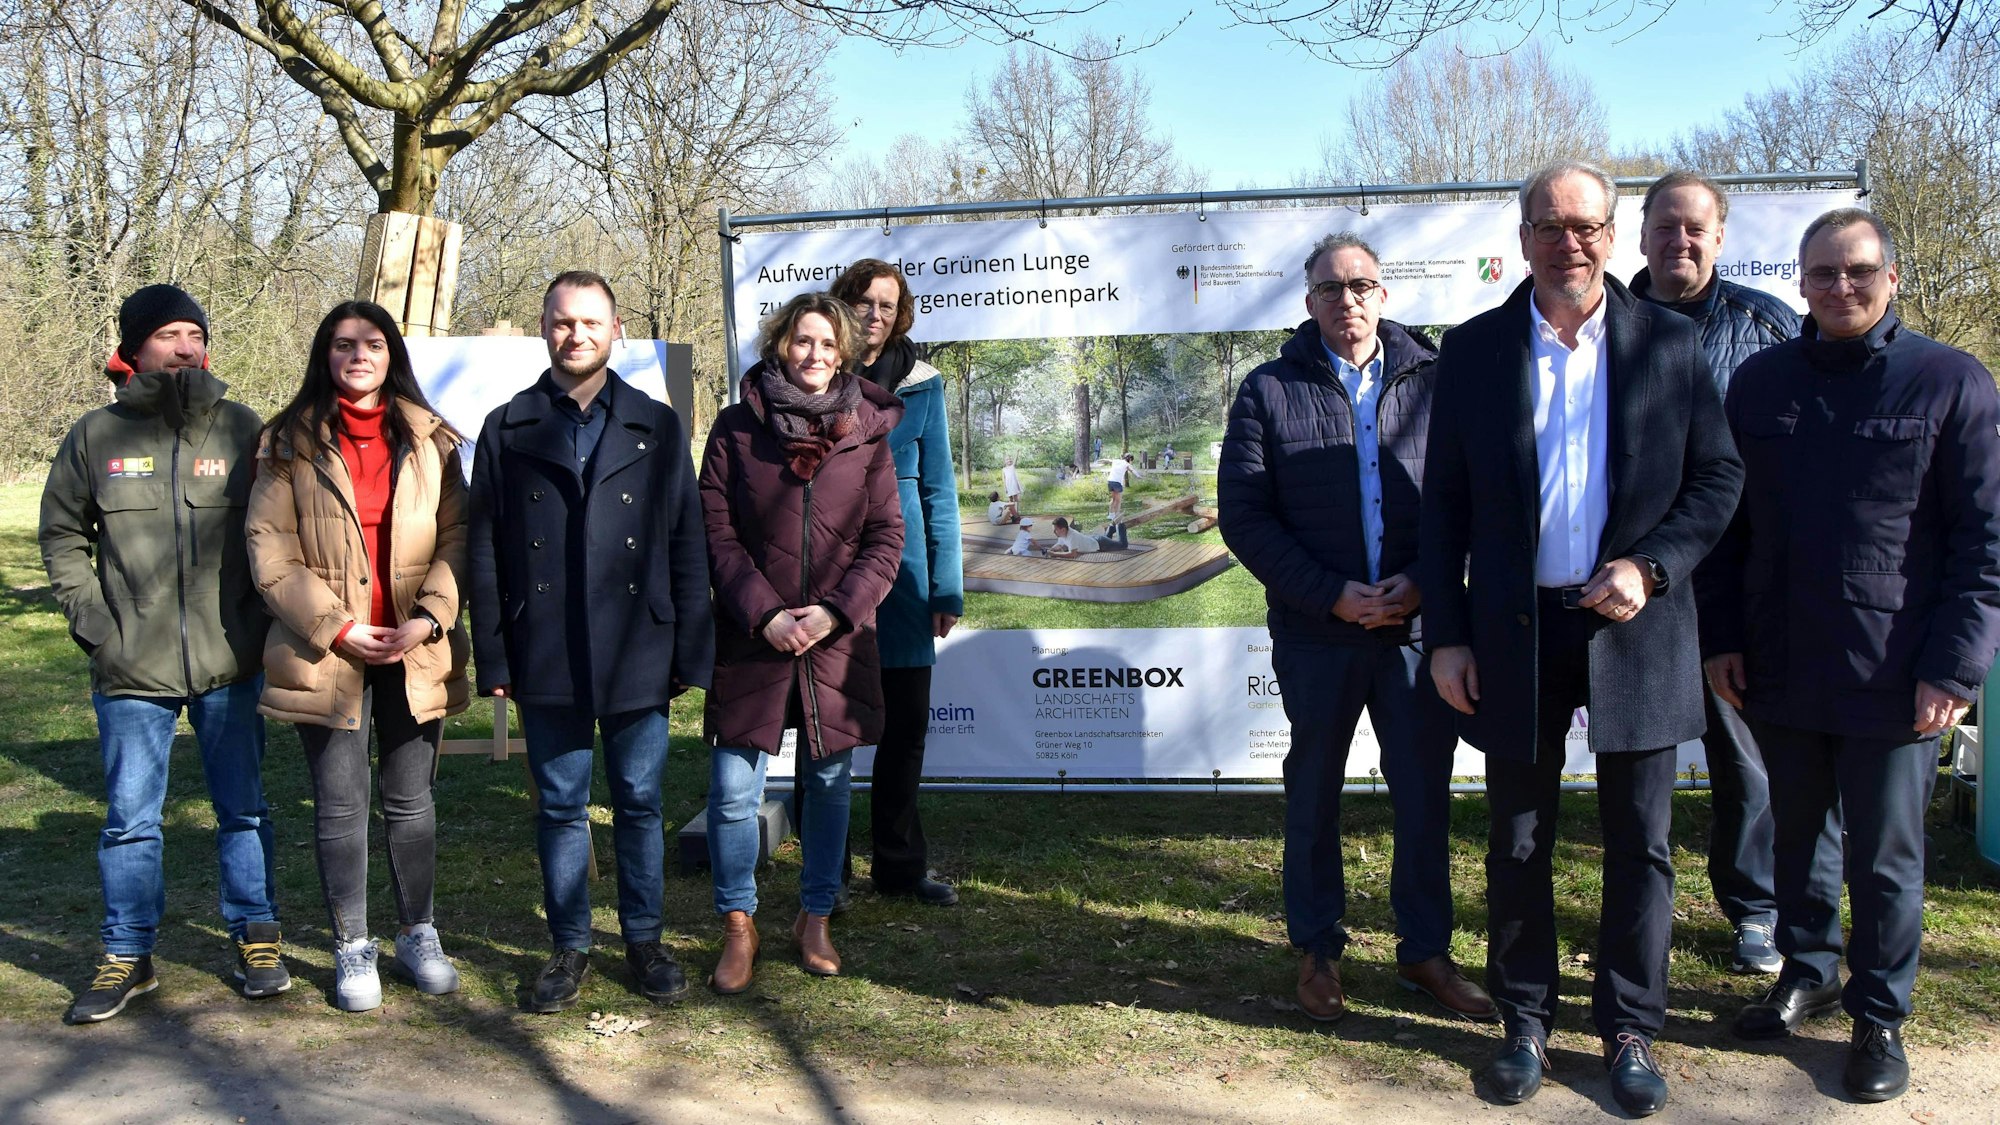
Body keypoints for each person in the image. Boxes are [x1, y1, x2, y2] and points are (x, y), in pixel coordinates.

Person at [1418, 161, 1743, 1116]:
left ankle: (1631, 1028)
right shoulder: (1472, 351)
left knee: (1641, 839)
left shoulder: (1670, 344)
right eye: (1551, 227)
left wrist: (1651, 566)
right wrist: (1446, 636)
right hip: (1514, 632)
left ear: (1614, 233)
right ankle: (1525, 1019)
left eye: (1588, 226)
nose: (1571, 244)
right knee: (1518, 838)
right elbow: (1443, 511)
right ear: (1523, 237)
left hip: (1634, 626)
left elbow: (1717, 481)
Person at [1698, 209, 2000, 1104]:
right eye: (1823, 273)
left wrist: (1954, 670)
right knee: (1798, 836)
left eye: (1858, 272)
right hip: (1781, 662)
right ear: (1800, 280)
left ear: (1892, 278)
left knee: (1886, 855)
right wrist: (1722, 638)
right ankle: (1808, 968)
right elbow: (1728, 530)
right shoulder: (1760, 383)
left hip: (1897, 671)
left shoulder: (1950, 381)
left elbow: (1984, 544)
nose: (1840, 288)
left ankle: (1879, 1012)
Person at [1220, 232, 1492, 1026]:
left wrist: (1424, 586)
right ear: (1308, 302)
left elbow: (1474, 501)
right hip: (1319, 632)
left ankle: (1425, 952)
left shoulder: (1440, 382)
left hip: (1415, 632)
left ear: (1385, 294)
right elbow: (1245, 515)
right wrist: (1331, 594)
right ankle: (1317, 949)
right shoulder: (1268, 389)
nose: (1348, 300)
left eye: (1362, 285)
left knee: (1422, 796)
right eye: (1331, 288)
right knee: (1313, 793)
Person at [468, 271, 715, 1014]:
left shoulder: (657, 423)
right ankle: (569, 943)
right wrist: (496, 657)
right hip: (544, 646)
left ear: (616, 333)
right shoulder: (505, 426)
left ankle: (644, 938)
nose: (576, 334)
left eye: (591, 323)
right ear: (544, 329)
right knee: (560, 805)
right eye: (562, 322)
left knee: (640, 800)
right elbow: (483, 550)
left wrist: (689, 649)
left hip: (641, 644)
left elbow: (687, 540)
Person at [40, 284, 287, 1023]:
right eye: (169, 334)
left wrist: (257, 624)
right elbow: (60, 535)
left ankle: (256, 934)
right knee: (129, 819)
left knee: (243, 808)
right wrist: (96, 624)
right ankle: (127, 953)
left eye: (194, 333)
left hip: (227, 661)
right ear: (136, 347)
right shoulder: (95, 437)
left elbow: (277, 530)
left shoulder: (243, 429)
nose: (185, 346)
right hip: (130, 669)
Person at [245, 301, 470, 1012]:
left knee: (412, 801)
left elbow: (457, 536)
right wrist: (338, 627)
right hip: (326, 652)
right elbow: (267, 549)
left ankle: (419, 931)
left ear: (391, 353)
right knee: (341, 805)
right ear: (325, 355)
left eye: (373, 343)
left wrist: (430, 618)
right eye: (344, 345)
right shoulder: (287, 442)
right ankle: (352, 944)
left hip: (413, 648)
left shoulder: (432, 440)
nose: (359, 355)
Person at [699, 292, 904, 991]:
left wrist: (835, 613)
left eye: (826, 344)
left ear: (843, 352)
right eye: (800, 341)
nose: (813, 355)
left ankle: (814, 913)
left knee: (827, 784)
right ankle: (738, 923)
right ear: (780, 344)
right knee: (731, 791)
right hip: (751, 637)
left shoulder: (868, 433)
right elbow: (717, 537)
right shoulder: (733, 429)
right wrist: (765, 614)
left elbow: (886, 539)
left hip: (835, 641)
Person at [1630, 170, 1805, 976]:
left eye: (1695, 227)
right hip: (1631, 582)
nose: (1680, 241)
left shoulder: (1767, 328)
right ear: (1641, 235)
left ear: (1721, 237)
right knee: (1637, 763)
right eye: (1666, 226)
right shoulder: (1602, 321)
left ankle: (1756, 908)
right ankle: (1638, 908)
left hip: (1733, 586)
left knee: (1746, 760)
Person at [831, 260, 965, 907]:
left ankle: (900, 866)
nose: (876, 314)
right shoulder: (816, 376)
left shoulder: (924, 383)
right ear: (845, 305)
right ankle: (825, 873)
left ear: (900, 312)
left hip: (906, 582)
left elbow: (939, 490)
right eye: (865, 301)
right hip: (830, 574)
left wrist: (948, 588)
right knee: (827, 729)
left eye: (888, 304)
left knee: (906, 728)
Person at [1104, 452, 1140, 523]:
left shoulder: (1116, 461)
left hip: (1110, 481)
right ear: (1129, 459)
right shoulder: (1126, 464)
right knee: (1118, 500)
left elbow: (1108, 460)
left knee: (1113, 499)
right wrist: (1138, 476)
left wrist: (1101, 460)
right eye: (1131, 460)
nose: (1131, 462)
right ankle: (1117, 515)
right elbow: (1132, 470)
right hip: (1117, 482)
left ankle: (1110, 515)